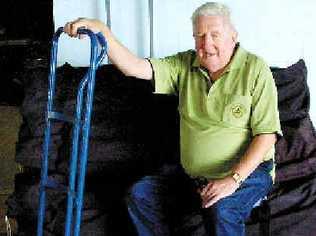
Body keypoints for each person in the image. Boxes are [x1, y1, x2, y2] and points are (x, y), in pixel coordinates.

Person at [64, 2, 281, 235]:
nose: (206, 44)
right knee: (141, 194)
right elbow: (134, 67)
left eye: (215, 35)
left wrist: (233, 180)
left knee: (222, 207)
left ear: (233, 36)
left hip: (247, 174)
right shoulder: (185, 65)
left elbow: (266, 135)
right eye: (200, 36)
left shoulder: (255, 69)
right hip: (194, 176)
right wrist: (101, 30)